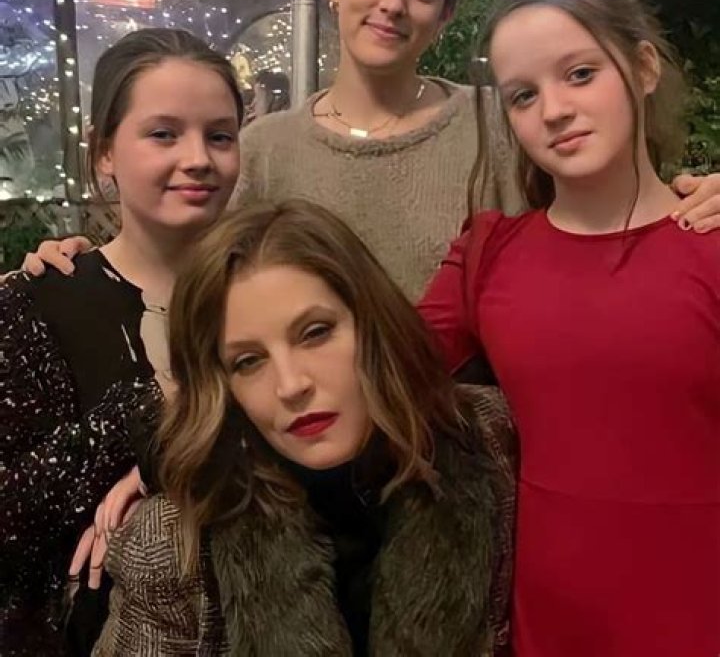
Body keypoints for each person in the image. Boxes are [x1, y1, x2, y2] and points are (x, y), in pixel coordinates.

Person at [20, 0, 720, 299]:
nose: (393, 4)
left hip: (478, 454)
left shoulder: (499, 122)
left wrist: (697, 200)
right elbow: (176, 270)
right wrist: (82, 266)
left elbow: (609, 213)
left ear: (445, 11)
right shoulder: (263, 151)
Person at [419, 0, 720, 657]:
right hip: (551, 623)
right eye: (523, 95)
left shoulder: (708, 247)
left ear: (643, 68)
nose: (553, 110)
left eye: (580, 74)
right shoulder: (489, 255)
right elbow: (368, 369)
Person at [93, 200, 517, 656]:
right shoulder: (172, 545)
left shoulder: (492, 444)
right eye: (248, 361)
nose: (291, 385)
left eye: (315, 333)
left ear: (372, 324)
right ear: (223, 386)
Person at [0, 28, 243, 655]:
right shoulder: (37, 303)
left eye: (220, 136)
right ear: (105, 152)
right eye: (164, 134)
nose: (198, 158)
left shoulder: (272, 299)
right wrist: (143, 415)